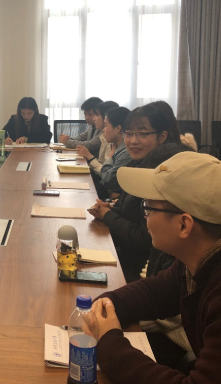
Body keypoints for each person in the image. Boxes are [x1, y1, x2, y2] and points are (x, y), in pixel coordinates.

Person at [91, 152, 221, 384]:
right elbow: (156, 292)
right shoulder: (206, 253)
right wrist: (105, 305)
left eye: (147, 208)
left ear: (184, 225)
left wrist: (109, 343)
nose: (145, 218)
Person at [88, 104, 183, 282]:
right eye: (129, 134)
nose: (133, 141)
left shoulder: (163, 176)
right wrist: (110, 210)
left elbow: (144, 239)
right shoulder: (136, 165)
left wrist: (108, 215)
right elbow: (131, 212)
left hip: (139, 268)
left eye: (143, 134)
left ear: (162, 136)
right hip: (124, 253)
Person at [95, 106, 132, 194]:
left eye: (105, 126)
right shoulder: (117, 147)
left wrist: (110, 157)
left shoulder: (127, 151)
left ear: (118, 128)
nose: (103, 130)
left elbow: (107, 180)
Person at [77, 100, 119, 174]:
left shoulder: (112, 140)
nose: (94, 119)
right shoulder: (103, 136)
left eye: (96, 115)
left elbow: (106, 174)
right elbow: (101, 164)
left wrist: (89, 157)